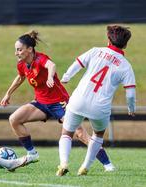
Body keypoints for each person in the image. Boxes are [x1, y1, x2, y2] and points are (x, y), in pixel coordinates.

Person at [0, 30, 114, 170]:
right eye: (16, 50)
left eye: (19, 50)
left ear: (29, 49)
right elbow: (20, 77)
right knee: (14, 119)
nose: (16, 53)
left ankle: (107, 164)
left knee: (79, 133)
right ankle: (32, 154)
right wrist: (8, 94)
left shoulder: (40, 59)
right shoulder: (22, 64)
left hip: (60, 103)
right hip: (41, 103)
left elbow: (51, 65)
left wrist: (49, 77)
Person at [57, 25, 136, 176]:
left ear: (108, 39)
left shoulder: (95, 51)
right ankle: (85, 167)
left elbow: (77, 64)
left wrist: (66, 77)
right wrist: (131, 108)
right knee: (98, 135)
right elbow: (130, 94)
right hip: (100, 107)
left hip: (79, 99)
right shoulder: (126, 66)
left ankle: (64, 163)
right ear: (125, 44)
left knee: (67, 133)